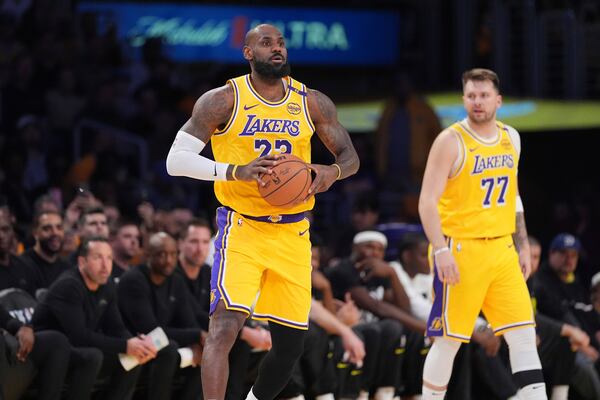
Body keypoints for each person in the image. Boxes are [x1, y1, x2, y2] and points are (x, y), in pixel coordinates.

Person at [166, 23, 359, 400]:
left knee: (289, 349)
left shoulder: (312, 101)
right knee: (223, 329)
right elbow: (176, 160)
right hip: (243, 229)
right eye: (266, 43)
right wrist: (236, 171)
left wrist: (330, 172)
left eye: (281, 43)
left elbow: (350, 157)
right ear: (248, 53)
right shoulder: (223, 99)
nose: (278, 49)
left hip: (293, 233)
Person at [418, 68, 546, 399]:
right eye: (471, 96)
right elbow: (427, 203)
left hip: (502, 249)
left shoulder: (511, 137)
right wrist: (440, 250)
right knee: (449, 341)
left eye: (484, 95)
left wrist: (521, 244)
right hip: (460, 250)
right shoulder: (449, 141)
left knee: (522, 335)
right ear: (464, 100)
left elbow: (513, 197)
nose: (477, 102)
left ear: (498, 100)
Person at [32, 236, 157, 400]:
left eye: (109, 258)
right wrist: (126, 345)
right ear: (82, 262)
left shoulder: (107, 284)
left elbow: (116, 327)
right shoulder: (69, 285)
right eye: (98, 258)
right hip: (50, 350)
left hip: (77, 346)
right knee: (92, 356)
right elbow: (78, 336)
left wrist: (136, 344)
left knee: (133, 357)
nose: (106, 266)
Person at [118, 232, 203, 400]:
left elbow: (189, 321)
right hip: (133, 349)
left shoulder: (176, 279)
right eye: (161, 254)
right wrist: (196, 335)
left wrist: (197, 340)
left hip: (162, 348)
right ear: (147, 255)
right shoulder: (133, 280)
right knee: (169, 348)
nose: (169, 260)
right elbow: (150, 330)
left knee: (207, 348)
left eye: (173, 254)